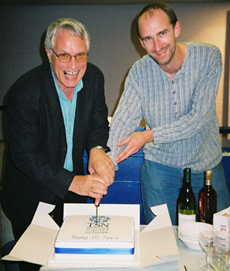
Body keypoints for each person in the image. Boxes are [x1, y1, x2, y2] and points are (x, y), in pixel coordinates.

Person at [1, 18, 114, 270]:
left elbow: (98, 121)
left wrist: (97, 149)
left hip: (71, 198)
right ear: (49, 54)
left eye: (80, 55)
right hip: (30, 199)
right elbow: (25, 156)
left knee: (71, 261)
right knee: (37, 264)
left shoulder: (94, 77)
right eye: (64, 55)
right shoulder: (24, 92)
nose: (73, 65)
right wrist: (75, 182)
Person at [107, 2, 230, 225]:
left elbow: (197, 120)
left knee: (221, 242)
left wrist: (148, 135)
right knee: (162, 245)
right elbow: (122, 123)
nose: (157, 45)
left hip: (207, 168)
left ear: (177, 29)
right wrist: (106, 167)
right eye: (148, 39)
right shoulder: (139, 72)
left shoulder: (208, 57)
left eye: (162, 33)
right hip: (160, 171)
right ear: (141, 43)